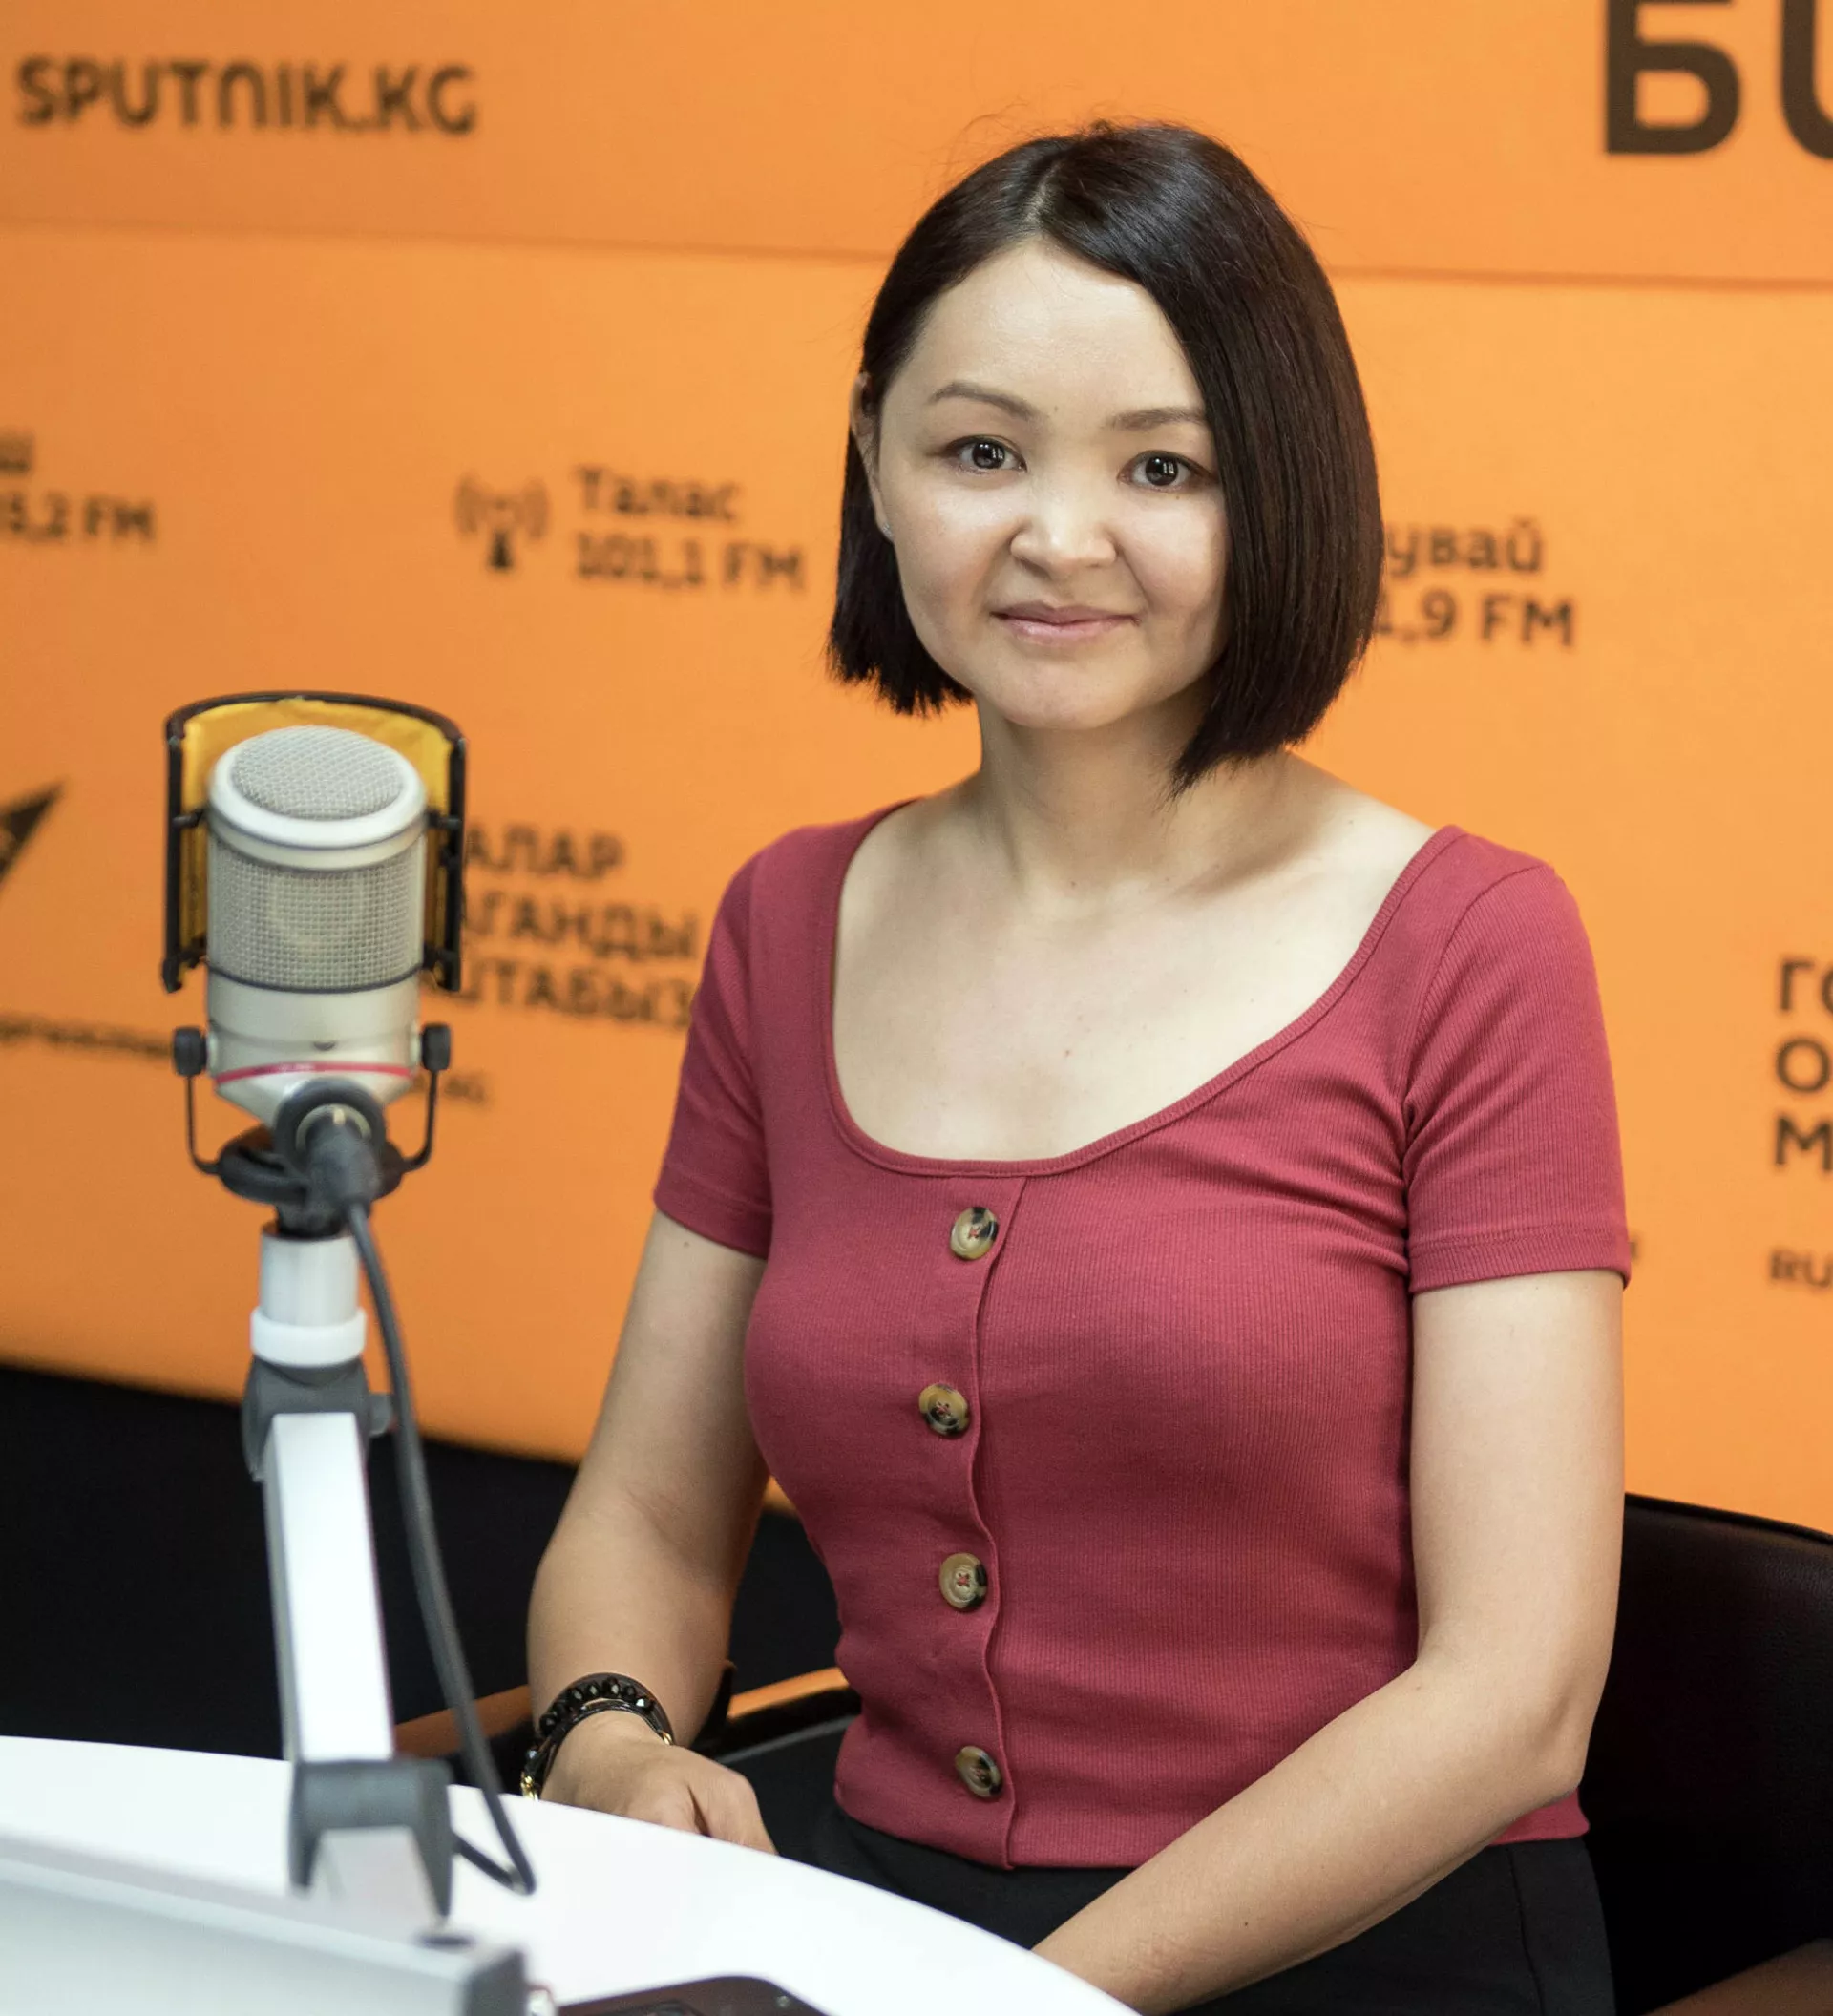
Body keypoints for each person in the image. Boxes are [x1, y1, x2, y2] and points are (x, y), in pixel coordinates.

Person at [526, 121, 1629, 2014]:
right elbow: (644, 1513)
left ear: (1280, 491)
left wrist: (1020, 2000)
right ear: (874, 463)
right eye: (981, 452)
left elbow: (1514, 1694)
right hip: (876, 1938)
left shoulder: (1471, 941)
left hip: (1365, 1957)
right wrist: (613, 1740)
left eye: (1162, 467)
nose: (1058, 535)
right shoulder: (789, 921)